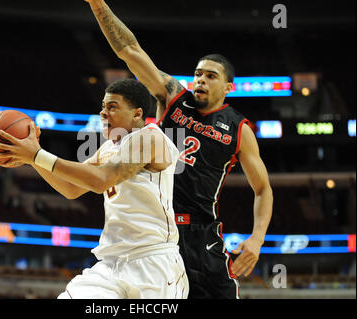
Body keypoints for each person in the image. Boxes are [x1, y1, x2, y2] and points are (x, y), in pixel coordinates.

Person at [85, 0, 273, 299]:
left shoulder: (239, 129)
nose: (200, 79)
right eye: (198, 73)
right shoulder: (172, 96)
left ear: (228, 87)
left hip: (201, 234)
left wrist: (257, 238)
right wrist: (97, 5)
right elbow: (129, 50)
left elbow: (263, 189)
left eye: (211, 76)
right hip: (157, 231)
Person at [0, 79, 189, 299]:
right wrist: (34, 158)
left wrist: (37, 155)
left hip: (154, 263)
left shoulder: (151, 138)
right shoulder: (109, 147)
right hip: (112, 265)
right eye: (103, 107)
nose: (103, 113)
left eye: (112, 107)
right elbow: (71, 188)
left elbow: (102, 180)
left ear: (137, 113)